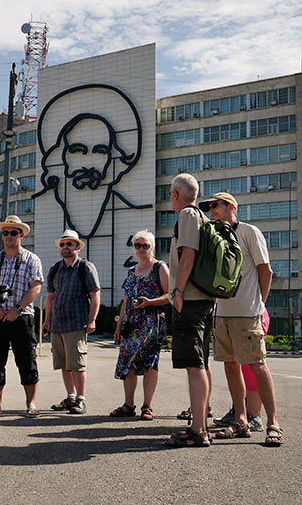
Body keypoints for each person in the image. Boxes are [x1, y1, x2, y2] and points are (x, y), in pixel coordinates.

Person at [200, 192, 283, 446]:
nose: (211, 210)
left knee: (257, 365)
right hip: (222, 313)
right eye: (209, 207)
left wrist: (260, 303)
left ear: (231, 207)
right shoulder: (216, 236)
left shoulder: (248, 231)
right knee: (230, 365)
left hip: (247, 312)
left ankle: (273, 423)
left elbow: (265, 269)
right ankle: (241, 420)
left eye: (216, 206)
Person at [163, 173, 215, 448]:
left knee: (195, 366)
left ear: (175, 195)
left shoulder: (187, 216)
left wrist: (178, 292)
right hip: (204, 299)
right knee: (201, 363)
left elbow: (188, 255)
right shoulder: (202, 218)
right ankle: (201, 425)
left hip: (190, 300)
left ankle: (198, 431)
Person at [0, 215, 44, 418]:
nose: (9, 236)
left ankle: (31, 403)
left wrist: (17, 308)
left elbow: (36, 287)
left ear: (22, 235)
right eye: (5, 232)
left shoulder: (31, 259)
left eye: (13, 232)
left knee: (26, 360)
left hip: (21, 316)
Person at [111, 230, 169, 421]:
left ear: (152, 247)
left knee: (150, 363)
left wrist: (150, 302)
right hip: (130, 324)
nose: (142, 249)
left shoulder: (159, 267)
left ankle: (147, 406)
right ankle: (129, 405)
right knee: (128, 363)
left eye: (146, 245)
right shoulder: (131, 271)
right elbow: (126, 300)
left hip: (152, 324)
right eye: (138, 245)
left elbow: (171, 295)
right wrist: (119, 327)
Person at [43, 229, 101, 415]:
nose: (65, 247)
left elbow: (95, 295)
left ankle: (81, 400)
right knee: (64, 364)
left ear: (77, 246)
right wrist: (47, 320)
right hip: (58, 325)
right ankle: (71, 397)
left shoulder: (85, 267)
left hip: (76, 323)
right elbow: (50, 297)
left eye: (69, 244)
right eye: (62, 244)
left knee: (77, 364)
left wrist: (92, 320)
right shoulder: (55, 269)